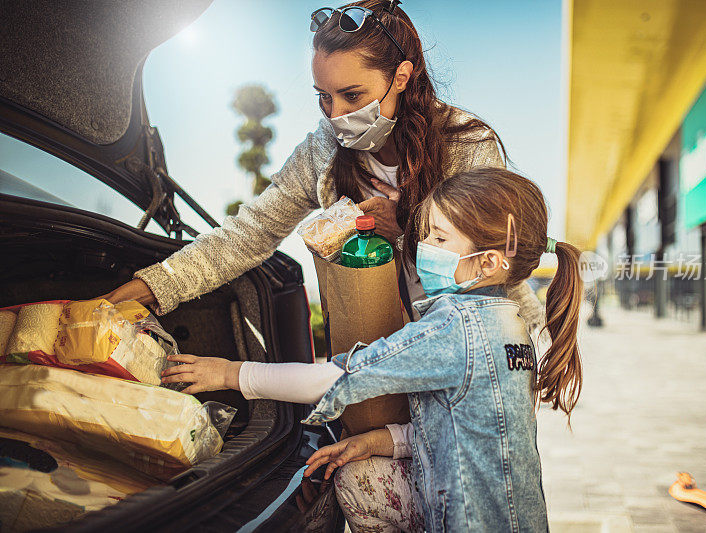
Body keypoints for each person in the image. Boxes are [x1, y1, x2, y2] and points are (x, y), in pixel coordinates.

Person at [161, 168, 584, 532]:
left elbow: (342, 376)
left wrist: (229, 374)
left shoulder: (456, 325)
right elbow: (466, 430)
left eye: (439, 237)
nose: (424, 248)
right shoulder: (510, 325)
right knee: (359, 470)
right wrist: (378, 440)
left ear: (487, 263)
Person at [101, 0, 543, 325]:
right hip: (384, 356)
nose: (335, 115)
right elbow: (249, 234)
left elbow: (500, 262)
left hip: (486, 348)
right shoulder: (323, 152)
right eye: (323, 97)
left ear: (402, 78)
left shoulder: (465, 144)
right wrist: (154, 288)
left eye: (352, 96)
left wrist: (406, 228)